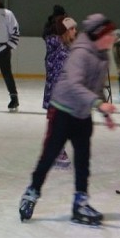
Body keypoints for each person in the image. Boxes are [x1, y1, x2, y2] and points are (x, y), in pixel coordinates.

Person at [19, 14, 118, 226]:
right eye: (109, 33)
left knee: (83, 160)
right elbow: (74, 84)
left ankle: (80, 202)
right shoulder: (80, 53)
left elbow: (96, 87)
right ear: (100, 34)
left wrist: (104, 112)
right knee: (49, 155)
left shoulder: (102, 56)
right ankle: (32, 193)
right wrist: (99, 104)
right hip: (62, 110)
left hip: (82, 113)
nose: (113, 37)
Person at [43, 16, 78, 169]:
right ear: (64, 31)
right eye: (71, 28)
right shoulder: (59, 48)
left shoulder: (66, 47)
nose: (75, 31)